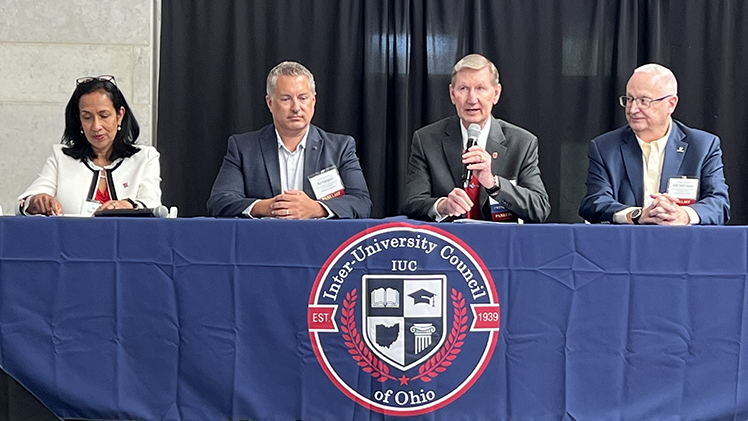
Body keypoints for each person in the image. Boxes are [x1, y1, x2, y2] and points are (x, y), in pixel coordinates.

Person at [207, 61, 371, 219]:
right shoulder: (243, 148)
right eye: (286, 99)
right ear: (270, 103)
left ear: (313, 101)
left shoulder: (340, 148)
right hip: (262, 241)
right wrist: (268, 207)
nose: (296, 107)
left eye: (303, 98)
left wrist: (316, 209)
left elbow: (362, 203)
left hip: (322, 242)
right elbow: (219, 202)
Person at [401, 53, 550, 222]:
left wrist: (493, 183)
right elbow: (411, 202)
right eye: (463, 89)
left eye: (480, 88)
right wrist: (442, 206)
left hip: (500, 244)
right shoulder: (426, 140)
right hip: (448, 244)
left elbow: (540, 209)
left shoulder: (522, 143)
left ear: (496, 94)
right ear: (452, 94)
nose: (472, 99)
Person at [579, 64, 729, 225]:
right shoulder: (605, 147)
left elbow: (719, 204)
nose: (633, 109)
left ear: (671, 104)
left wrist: (683, 215)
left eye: (644, 101)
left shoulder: (702, 146)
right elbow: (594, 202)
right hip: (625, 245)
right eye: (629, 99)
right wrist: (637, 215)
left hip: (684, 245)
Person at [17, 75, 161, 216]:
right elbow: (25, 202)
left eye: (104, 116)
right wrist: (37, 202)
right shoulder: (60, 158)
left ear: (119, 116)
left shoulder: (145, 157)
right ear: (78, 120)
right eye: (87, 117)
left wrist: (129, 205)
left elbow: (153, 204)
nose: (96, 126)